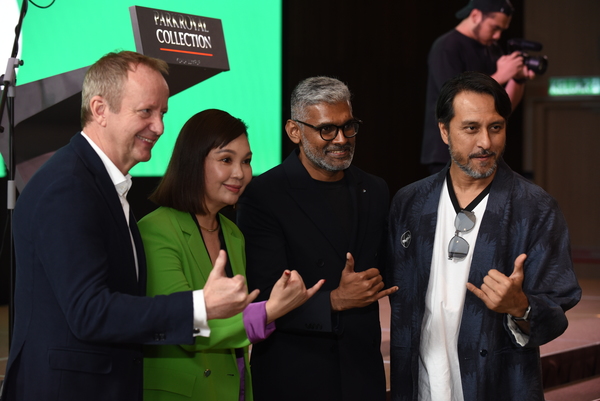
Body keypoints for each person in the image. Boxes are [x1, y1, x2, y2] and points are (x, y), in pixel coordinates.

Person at [0, 51, 260, 401]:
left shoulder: (103, 185)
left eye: (163, 113)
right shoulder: (68, 186)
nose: (160, 127)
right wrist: (199, 307)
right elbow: (89, 312)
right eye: (146, 112)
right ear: (100, 109)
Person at [389, 71, 581, 401]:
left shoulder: (533, 207)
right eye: (471, 128)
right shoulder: (411, 202)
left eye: (496, 127)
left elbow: (557, 310)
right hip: (420, 383)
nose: (486, 143)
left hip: (499, 385)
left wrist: (521, 307)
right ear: (444, 131)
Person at [139, 109, 323, 401]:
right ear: (192, 162)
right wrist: (270, 310)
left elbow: (234, 320)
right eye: (226, 160)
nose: (240, 173)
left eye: (246, 161)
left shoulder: (233, 233)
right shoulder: (155, 230)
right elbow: (184, 326)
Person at [237, 76, 398, 401]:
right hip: (294, 374)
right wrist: (335, 300)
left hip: (362, 374)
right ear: (295, 131)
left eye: (348, 126)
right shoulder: (263, 195)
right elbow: (262, 297)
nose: (341, 139)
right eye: (327, 129)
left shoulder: (375, 189)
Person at [421, 0, 536, 174]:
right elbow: (454, 98)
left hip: (483, 152)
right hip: (449, 152)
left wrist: (517, 80)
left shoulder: (492, 48)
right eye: (494, 27)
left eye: (501, 30)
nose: (497, 35)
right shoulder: (447, 46)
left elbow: (504, 107)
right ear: (475, 16)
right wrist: (501, 75)